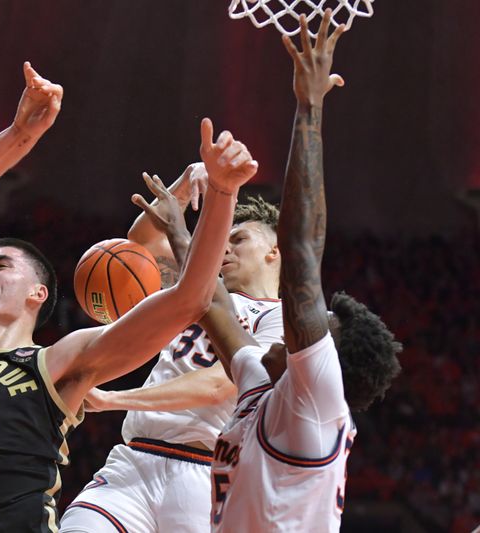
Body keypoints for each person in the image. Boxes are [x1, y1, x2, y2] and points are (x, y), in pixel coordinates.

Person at [0, 61, 259, 533]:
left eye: (1, 265)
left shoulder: (59, 363)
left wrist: (222, 193)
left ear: (37, 293)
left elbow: (189, 298)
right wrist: (17, 136)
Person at [202, 12, 401, 531]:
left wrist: (309, 107)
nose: (296, 329)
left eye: (315, 328)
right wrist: (202, 207)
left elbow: (301, 253)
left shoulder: (315, 395)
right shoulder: (263, 389)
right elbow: (208, 299)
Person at [61, 168, 283, 533]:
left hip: (205, 475)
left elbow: (218, 386)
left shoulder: (284, 320)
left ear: (274, 251)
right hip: (133, 462)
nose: (224, 247)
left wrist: (114, 399)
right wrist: (184, 185)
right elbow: (141, 245)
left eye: (239, 239)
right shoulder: (196, 290)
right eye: (222, 239)